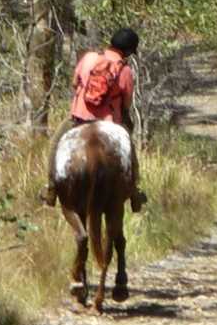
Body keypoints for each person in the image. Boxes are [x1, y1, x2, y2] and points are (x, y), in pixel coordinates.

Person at [40, 28, 148, 213]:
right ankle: (134, 192)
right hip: (109, 124)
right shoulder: (125, 71)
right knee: (130, 150)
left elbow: (75, 83)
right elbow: (127, 103)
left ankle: (51, 189)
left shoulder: (89, 58)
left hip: (79, 119)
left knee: (55, 145)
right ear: (128, 51)